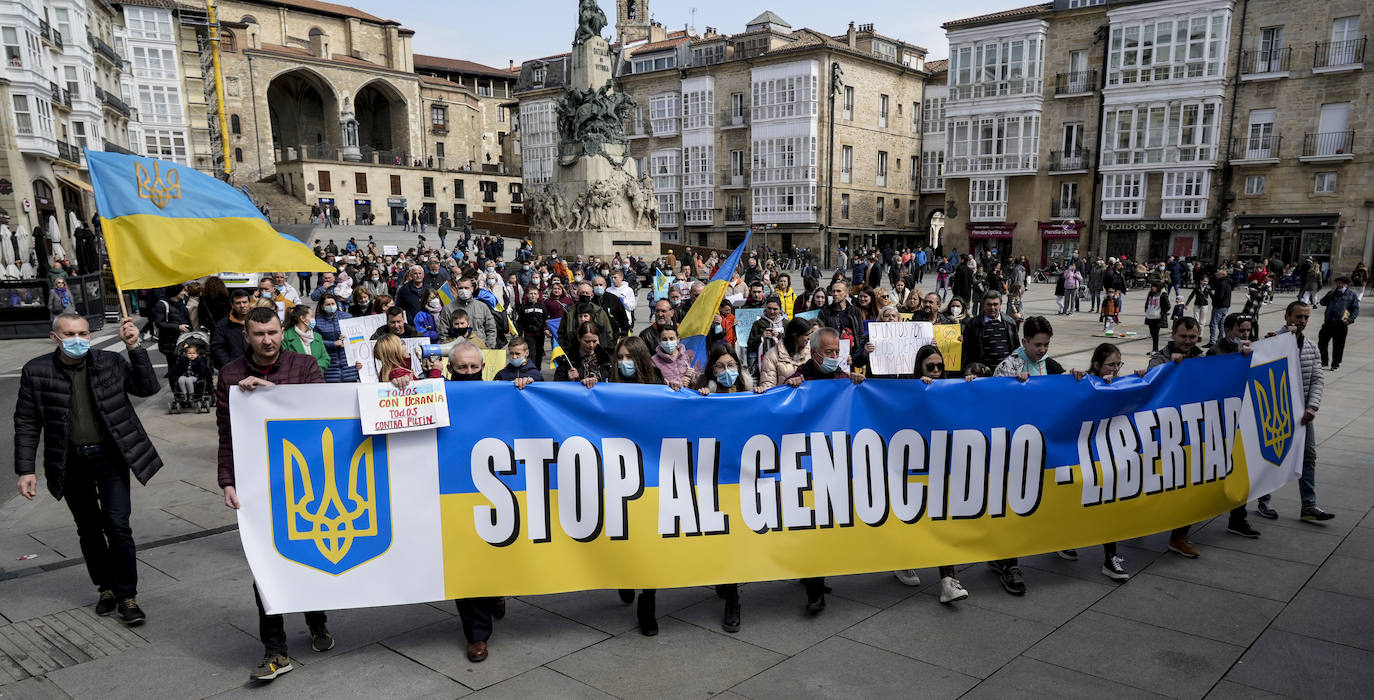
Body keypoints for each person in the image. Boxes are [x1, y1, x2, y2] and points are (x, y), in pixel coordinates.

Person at [15, 313, 158, 625]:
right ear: (55, 337)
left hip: (110, 457)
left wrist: (134, 347)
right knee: (89, 528)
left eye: (82, 333)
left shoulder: (109, 361)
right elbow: (26, 422)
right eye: (69, 334)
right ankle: (105, 588)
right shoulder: (36, 371)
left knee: (118, 525)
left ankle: (127, 595)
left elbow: (147, 388)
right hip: (69, 462)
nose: (78, 339)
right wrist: (26, 469)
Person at [216, 307, 333, 681]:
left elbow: (320, 412)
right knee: (264, 566)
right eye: (259, 334)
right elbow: (226, 434)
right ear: (246, 337)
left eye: (272, 332)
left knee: (309, 554)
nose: (267, 340)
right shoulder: (230, 374)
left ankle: (317, 620)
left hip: (305, 481)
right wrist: (227, 481)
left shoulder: (304, 365)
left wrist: (273, 397)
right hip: (258, 484)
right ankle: (275, 650)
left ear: (282, 332)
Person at [783, 327, 865, 614]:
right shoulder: (800, 376)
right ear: (814, 352)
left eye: (837, 353)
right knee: (811, 525)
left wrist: (857, 382)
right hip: (805, 463)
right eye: (828, 353)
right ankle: (815, 590)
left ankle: (813, 576)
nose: (834, 357)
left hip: (833, 461)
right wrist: (789, 385)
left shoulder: (843, 377)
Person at [987, 316, 1064, 594]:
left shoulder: (1052, 367)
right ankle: (1009, 563)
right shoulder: (1008, 367)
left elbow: (1068, 397)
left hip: (1044, 447)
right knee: (1013, 506)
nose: (1042, 350)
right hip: (1013, 450)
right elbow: (993, 404)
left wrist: (1078, 379)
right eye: (1037, 345)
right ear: (1024, 342)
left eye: (1046, 345)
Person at [890, 344, 971, 603]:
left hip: (942, 468)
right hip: (914, 468)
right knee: (913, 518)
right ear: (919, 369)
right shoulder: (910, 390)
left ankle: (948, 580)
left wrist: (971, 384)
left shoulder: (951, 389)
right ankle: (903, 560)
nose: (936, 372)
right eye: (930, 367)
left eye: (939, 367)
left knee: (942, 523)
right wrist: (918, 391)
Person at [445, 340, 508, 660]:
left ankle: (495, 592)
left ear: (483, 367)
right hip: (453, 491)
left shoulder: (499, 395)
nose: (468, 373)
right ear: (450, 370)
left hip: (496, 490)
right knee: (465, 561)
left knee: (495, 554)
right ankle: (477, 633)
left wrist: (525, 386)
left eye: (473, 367)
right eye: (461, 368)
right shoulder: (437, 396)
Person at [1065, 343, 1133, 581]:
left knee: (1108, 504)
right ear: (1096, 365)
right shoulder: (1083, 384)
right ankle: (1064, 539)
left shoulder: (1119, 385)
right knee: (1076, 501)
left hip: (1106, 456)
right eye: (1111, 365)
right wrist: (1074, 378)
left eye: (1118, 365)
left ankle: (1110, 556)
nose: (1115, 370)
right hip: (1081, 455)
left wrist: (1142, 379)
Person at [1146, 317, 1208, 557]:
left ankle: (1179, 536)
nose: (1188, 341)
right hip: (1163, 435)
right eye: (1183, 336)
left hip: (1191, 432)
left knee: (1189, 487)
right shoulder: (1160, 359)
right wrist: (1170, 368)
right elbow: (1151, 381)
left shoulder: (1201, 359)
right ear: (1173, 335)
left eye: (1193, 337)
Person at [1204, 314, 1264, 537]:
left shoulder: (1249, 350)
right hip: (1221, 422)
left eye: (1248, 331)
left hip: (1240, 421)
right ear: (1228, 331)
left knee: (1240, 471)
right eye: (1241, 331)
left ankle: (1239, 519)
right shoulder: (1216, 352)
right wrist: (1239, 359)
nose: (1246, 335)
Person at [1273, 301, 1333, 523]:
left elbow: (1318, 378)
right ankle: (1264, 501)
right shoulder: (1272, 341)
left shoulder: (1311, 346)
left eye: (1306, 317)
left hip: (1303, 414)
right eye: (1298, 317)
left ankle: (1308, 505)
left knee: (1309, 457)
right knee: (1271, 457)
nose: (1302, 321)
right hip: (1276, 414)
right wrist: (1280, 340)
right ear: (1287, 316)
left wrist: (1312, 406)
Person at [961, 291, 1019, 371]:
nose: (992, 308)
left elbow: (1016, 349)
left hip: (1006, 373)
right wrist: (968, 370)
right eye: (989, 304)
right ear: (984, 305)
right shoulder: (973, 324)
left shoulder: (1010, 323)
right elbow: (966, 351)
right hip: (982, 374)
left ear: (1000, 304)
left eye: (995, 304)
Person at [438, 277, 498, 348]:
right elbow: (443, 333)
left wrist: (488, 348)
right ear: (457, 289)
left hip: (480, 350)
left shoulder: (482, 307)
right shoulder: (448, 309)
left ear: (472, 289)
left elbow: (491, 329)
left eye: (466, 288)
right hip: (456, 351)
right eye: (460, 288)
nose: (463, 290)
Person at [1317, 276, 1358, 371]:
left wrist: (1350, 320)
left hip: (1341, 324)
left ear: (1346, 284)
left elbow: (1355, 309)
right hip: (1328, 322)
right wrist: (1330, 293)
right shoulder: (1332, 293)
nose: (1339, 285)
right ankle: (1324, 362)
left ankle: (1335, 364)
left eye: (1341, 283)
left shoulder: (1351, 294)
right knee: (1322, 343)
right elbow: (1322, 302)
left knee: (1338, 345)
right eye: (1337, 283)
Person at [314, 297, 359, 383]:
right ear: (322, 306)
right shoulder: (318, 322)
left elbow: (357, 337)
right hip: (331, 366)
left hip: (348, 365)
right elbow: (316, 342)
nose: (331, 306)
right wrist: (333, 344)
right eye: (328, 304)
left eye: (333, 304)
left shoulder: (347, 317)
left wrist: (347, 337)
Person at [212, 289, 253, 369]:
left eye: (245, 302)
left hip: (257, 366)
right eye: (238, 303)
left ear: (249, 303)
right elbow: (217, 346)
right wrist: (228, 364)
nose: (242, 306)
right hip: (234, 367)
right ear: (232, 305)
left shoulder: (258, 320)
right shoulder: (223, 324)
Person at [151, 283, 192, 364]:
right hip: (170, 342)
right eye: (182, 290)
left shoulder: (183, 302)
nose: (184, 292)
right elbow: (159, 323)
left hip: (184, 339)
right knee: (174, 366)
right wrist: (178, 327)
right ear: (175, 292)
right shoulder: (162, 305)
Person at [282, 305, 329, 373]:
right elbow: (284, 360)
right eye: (311, 316)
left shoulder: (317, 337)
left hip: (316, 378)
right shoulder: (286, 336)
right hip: (296, 379)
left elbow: (325, 359)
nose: (314, 319)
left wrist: (313, 368)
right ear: (302, 318)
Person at [1143, 282, 1167, 353]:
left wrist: (1162, 312)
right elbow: (1147, 302)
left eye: (1154, 286)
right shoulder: (1150, 293)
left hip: (1157, 318)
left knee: (1156, 334)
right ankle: (1154, 349)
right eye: (1152, 286)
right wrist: (1146, 310)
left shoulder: (1163, 295)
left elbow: (1168, 306)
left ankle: (1155, 350)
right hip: (1150, 316)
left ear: (1158, 287)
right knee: (1152, 333)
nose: (1152, 288)